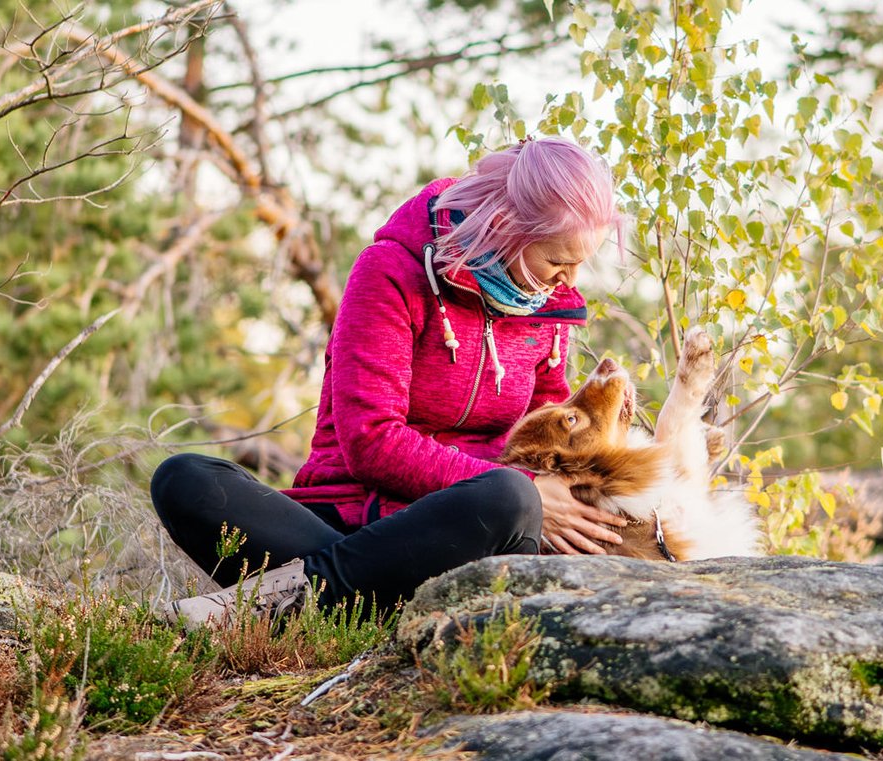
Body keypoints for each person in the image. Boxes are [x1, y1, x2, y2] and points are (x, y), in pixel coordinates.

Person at [150, 137, 628, 627]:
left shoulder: (547, 305)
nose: (568, 280)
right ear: (504, 228)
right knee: (186, 479)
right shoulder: (390, 271)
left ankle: (264, 609)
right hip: (344, 519)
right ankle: (367, 597)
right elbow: (373, 440)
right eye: (557, 261)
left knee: (508, 499)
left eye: (578, 264)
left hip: (465, 533)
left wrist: (552, 485)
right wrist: (526, 485)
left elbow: (547, 434)